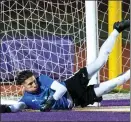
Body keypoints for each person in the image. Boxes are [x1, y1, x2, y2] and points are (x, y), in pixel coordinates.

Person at [1, 20, 130, 113]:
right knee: (117, 82)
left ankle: (116, 29)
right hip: (78, 100)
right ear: (22, 86)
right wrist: (6, 109)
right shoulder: (26, 99)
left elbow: (61, 88)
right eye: (30, 84)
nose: (34, 84)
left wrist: (51, 101)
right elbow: (18, 106)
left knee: (100, 61)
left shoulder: (41, 79)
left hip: (72, 86)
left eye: (33, 81)